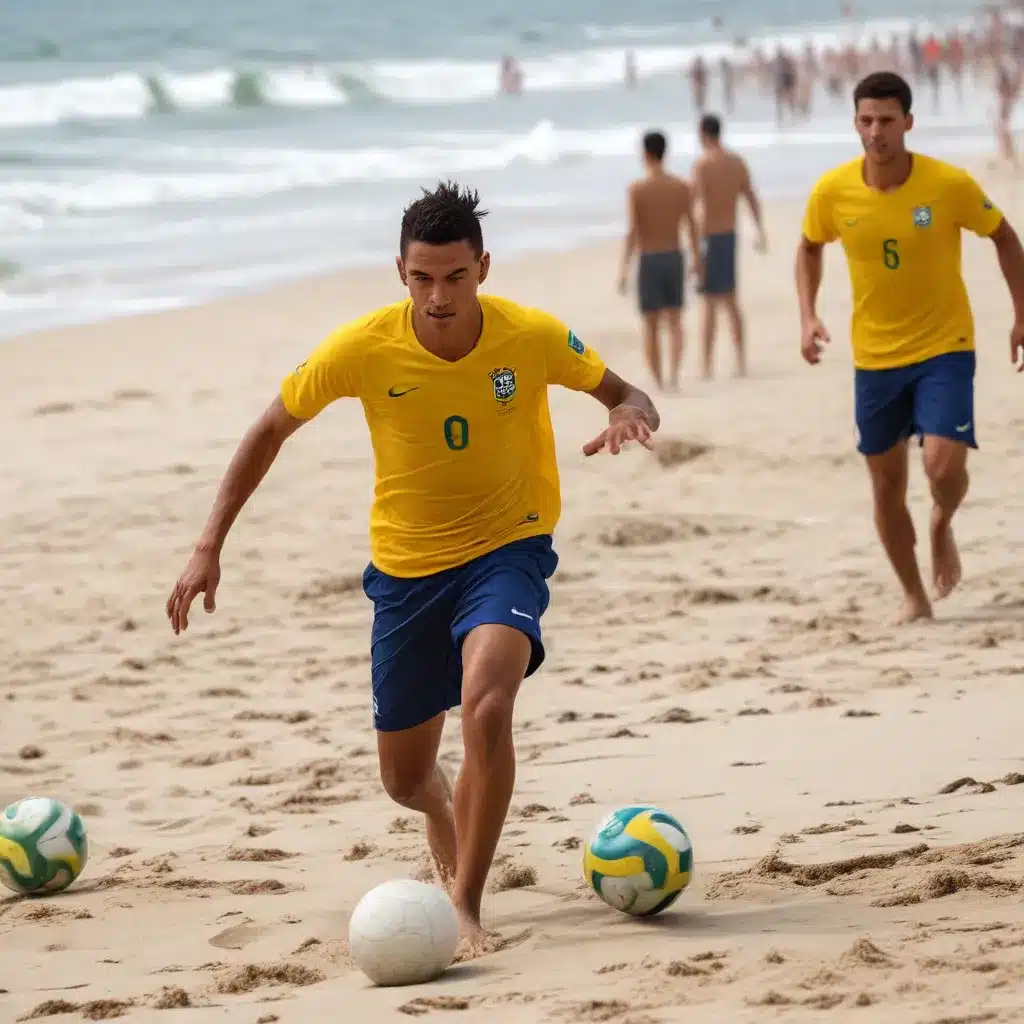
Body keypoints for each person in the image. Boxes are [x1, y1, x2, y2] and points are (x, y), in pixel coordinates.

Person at [165, 181, 660, 950]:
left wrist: (628, 412)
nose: (439, 296)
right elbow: (271, 426)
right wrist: (208, 544)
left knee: (487, 706)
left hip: (509, 547)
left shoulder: (528, 336)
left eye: (455, 277)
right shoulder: (362, 347)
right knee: (403, 778)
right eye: (423, 277)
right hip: (406, 571)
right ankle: (442, 815)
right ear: (400, 272)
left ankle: (463, 902)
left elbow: (627, 392)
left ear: (483, 268)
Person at [795, 71, 1024, 624]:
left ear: (908, 123)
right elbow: (807, 247)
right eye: (867, 121)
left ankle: (943, 520)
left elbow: (1004, 237)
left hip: (946, 345)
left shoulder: (948, 185)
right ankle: (914, 594)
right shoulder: (833, 191)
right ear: (855, 124)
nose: (876, 132)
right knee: (885, 483)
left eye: (887, 121)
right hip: (874, 357)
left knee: (943, 468)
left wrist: (1021, 314)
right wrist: (808, 315)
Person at [617, 130, 700, 390]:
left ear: (646, 153)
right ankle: (674, 375)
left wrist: (624, 269)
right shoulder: (681, 186)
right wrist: (697, 258)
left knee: (651, 324)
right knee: (675, 320)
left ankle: (659, 380)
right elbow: (692, 225)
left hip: (649, 259)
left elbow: (633, 232)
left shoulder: (637, 189)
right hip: (674, 256)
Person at [692, 113, 767, 379]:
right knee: (732, 301)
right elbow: (751, 197)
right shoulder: (736, 163)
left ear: (703, 135)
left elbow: (698, 207)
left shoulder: (702, 165)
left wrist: (694, 251)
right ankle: (740, 361)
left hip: (709, 239)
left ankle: (707, 365)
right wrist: (760, 230)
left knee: (710, 306)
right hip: (729, 236)